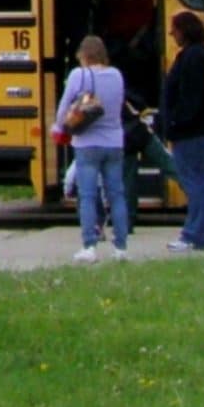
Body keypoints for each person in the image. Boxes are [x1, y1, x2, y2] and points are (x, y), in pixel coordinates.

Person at [58, 34, 130, 263]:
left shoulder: (79, 75)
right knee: (117, 195)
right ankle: (121, 248)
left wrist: (63, 125)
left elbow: (63, 112)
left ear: (84, 55)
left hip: (87, 143)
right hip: (114, 142)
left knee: (87, 196)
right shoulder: (117, 75)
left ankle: (89, 246)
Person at [161, 10, 204, 252]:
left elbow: (190, 97)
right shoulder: (198, 54)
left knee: (194, 181)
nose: (171, 34)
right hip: (199, 127)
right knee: (199, 180)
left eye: (174, 29)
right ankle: (200, 233)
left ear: (184, 30)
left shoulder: (192, 57)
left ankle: (194, 234)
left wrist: (175, 122)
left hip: (191, 130)